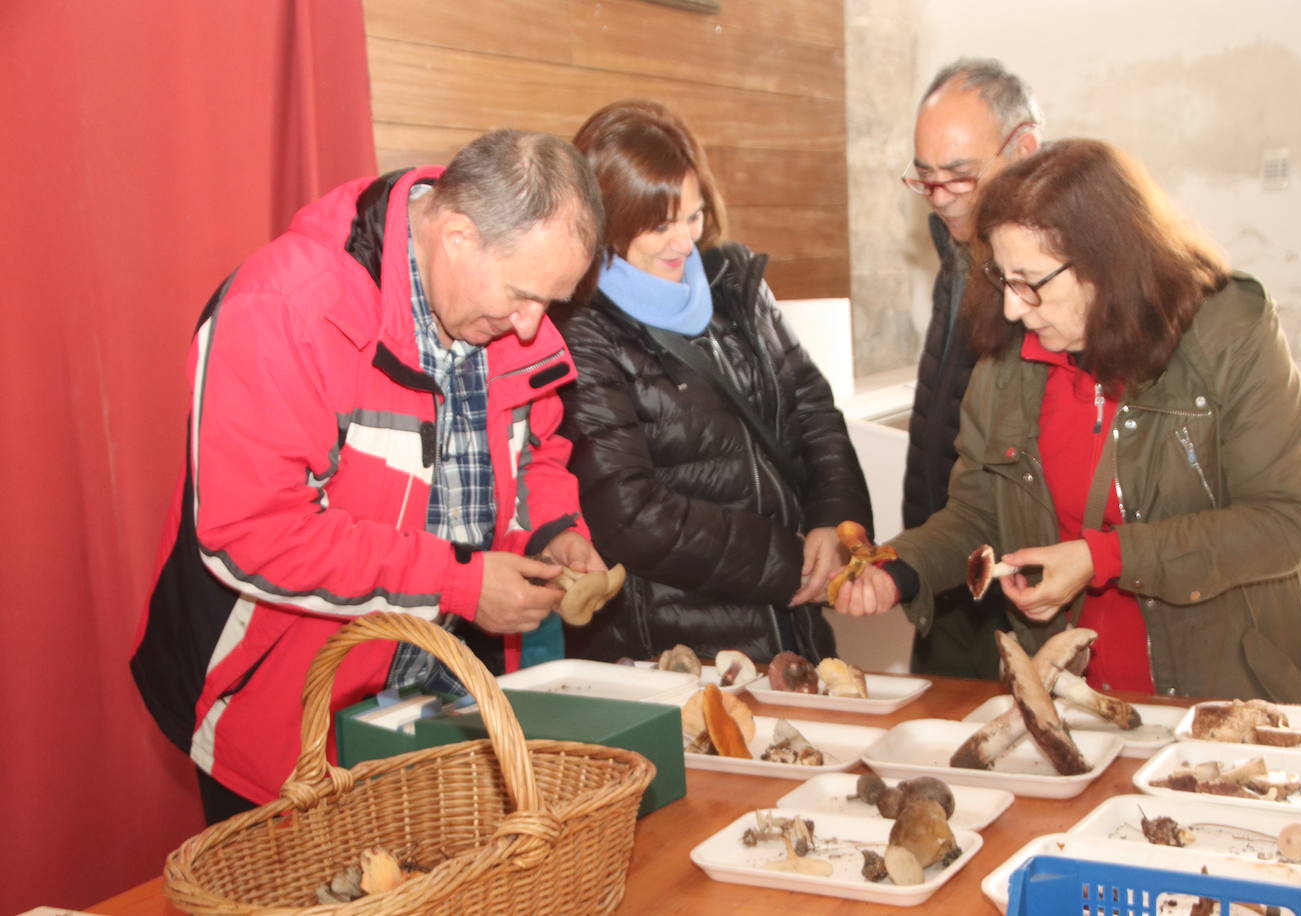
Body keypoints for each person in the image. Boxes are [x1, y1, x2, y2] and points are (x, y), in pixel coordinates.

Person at [130, 130, 609, 821]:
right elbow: (254, 533)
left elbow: (536, 448)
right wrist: (457, 583)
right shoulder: (286, 308)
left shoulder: (500, 312)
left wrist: (552, 531)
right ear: (456, 234)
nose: (535, 327)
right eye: (525, 295)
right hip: (279, 721)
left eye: (552, 303)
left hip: (440, 713)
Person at [834, 138, 1301, 705]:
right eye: (1003, 279)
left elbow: (1283, 523)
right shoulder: (1009, 362)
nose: (1014, 307)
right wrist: (903, 569)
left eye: (1031, 281)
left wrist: (1103, 558)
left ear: (1108, 266)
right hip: (1071, 701)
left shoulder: (1228, 333)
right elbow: (977, 513)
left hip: (1218, 695)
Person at [552, 99, 873, 664]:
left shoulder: (734, 284)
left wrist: (835, 526)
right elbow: (629, 512)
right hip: (674, 648)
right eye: (659, 225)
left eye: (692, 216)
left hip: (791, 628)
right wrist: (788, 561)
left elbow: (814, 412)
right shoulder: (582, 326)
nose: (683, 242)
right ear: (607, 219)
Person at [900, 58, 1042, 679]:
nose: (941, 198)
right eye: (925, 177)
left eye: (960, 176)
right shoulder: (957, 250)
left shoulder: (1058, 272)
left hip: (1022, 582)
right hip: (951, 561)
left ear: (1024, 148)